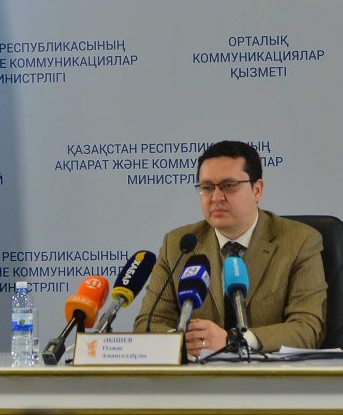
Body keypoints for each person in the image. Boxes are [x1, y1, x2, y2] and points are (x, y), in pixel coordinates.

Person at [134, 140, 327, 354]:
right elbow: (148, 323)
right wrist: (182, 340)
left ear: (257, 190)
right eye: (207, 188)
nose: (216, 198)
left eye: (229, 186)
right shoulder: (179, 244)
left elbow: (308, 328)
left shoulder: (299, 241)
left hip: (269, 373)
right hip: (199, 373)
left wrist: (234, 340)